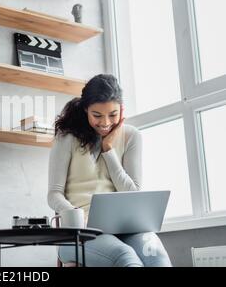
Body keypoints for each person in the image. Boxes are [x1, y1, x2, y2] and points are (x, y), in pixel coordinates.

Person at [48, 74, 172, 267]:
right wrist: (74, 215)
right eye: (97, 115)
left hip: (127, 228)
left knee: (157, 256)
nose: (105, 123)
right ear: (85, 109)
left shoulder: (131, 136)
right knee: (125, 257)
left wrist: (108, 149)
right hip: (80, 232)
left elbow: (133, 193)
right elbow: (54, 194)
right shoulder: (67, 137)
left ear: (121, 110)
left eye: (113, 115)